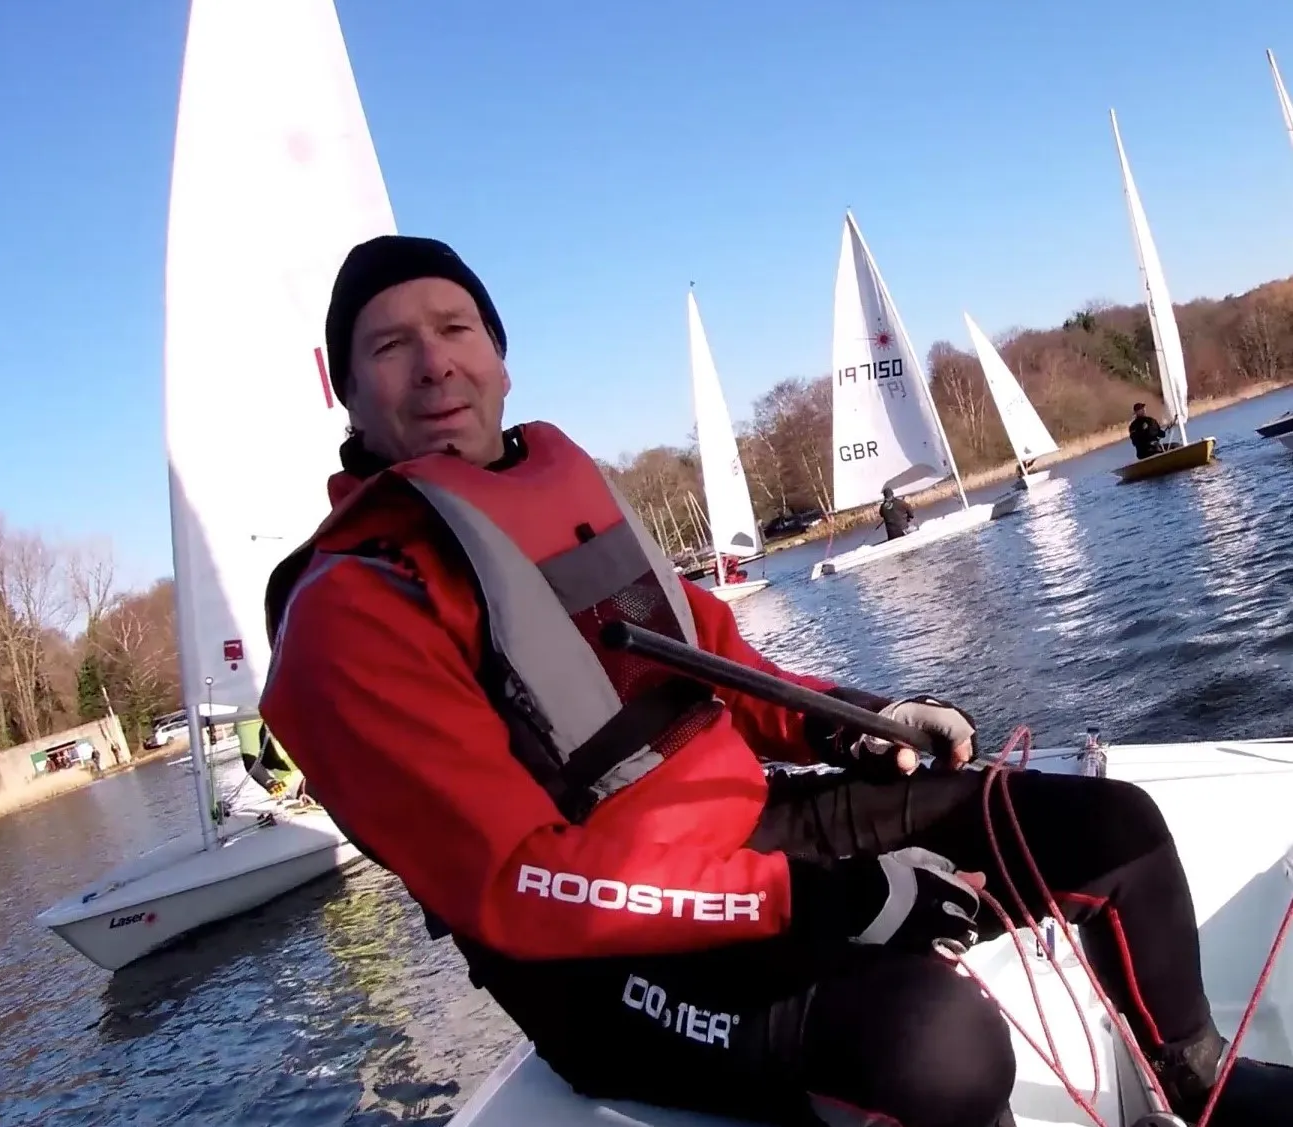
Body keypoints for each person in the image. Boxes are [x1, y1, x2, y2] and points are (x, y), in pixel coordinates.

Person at [259, 234, 1289, 1127]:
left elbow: (721, 662)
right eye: (391, 346)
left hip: (743, 831)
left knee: (1115, 830)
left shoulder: (560, 496)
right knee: (944, 1044)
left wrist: (851, 722)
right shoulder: (349, 615)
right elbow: (519, 883)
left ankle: (1193, 1085)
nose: (436, 366)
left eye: (456, 329)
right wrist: (823, 895)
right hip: (600, 963)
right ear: (344, 390)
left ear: (502, 359)